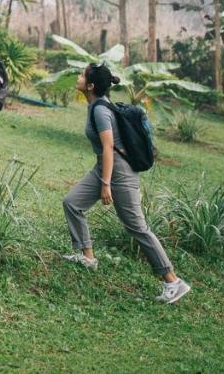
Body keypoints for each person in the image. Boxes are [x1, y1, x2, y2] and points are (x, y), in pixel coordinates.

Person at [62, 63, 191, 304]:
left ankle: (172, 281)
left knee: (137, 227)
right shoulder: (96, 105)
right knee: (72, 203)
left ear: (90, 86)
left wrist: (106, 184)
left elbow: (109, 147)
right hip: (104, 166)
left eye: (82, 75)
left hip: (119, 173)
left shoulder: (100, 111)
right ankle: (88, 257)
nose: (78, 78)